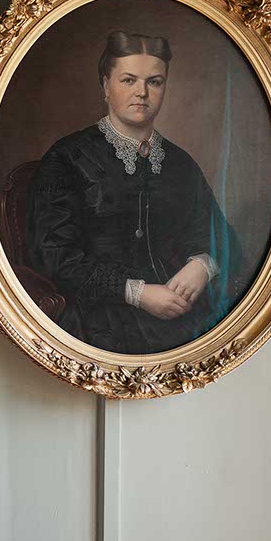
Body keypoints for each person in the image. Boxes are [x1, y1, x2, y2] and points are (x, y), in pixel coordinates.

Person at [25, 30, 245, 355]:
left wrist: (202, 264)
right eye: (128, 80)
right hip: (98, 319)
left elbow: (221, 236)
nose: (142, 92)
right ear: (105, 86)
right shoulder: (67, 157)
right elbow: (52, 255)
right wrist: (137, 293)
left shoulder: (180, 163)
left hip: (180, 312)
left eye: (154, 82)